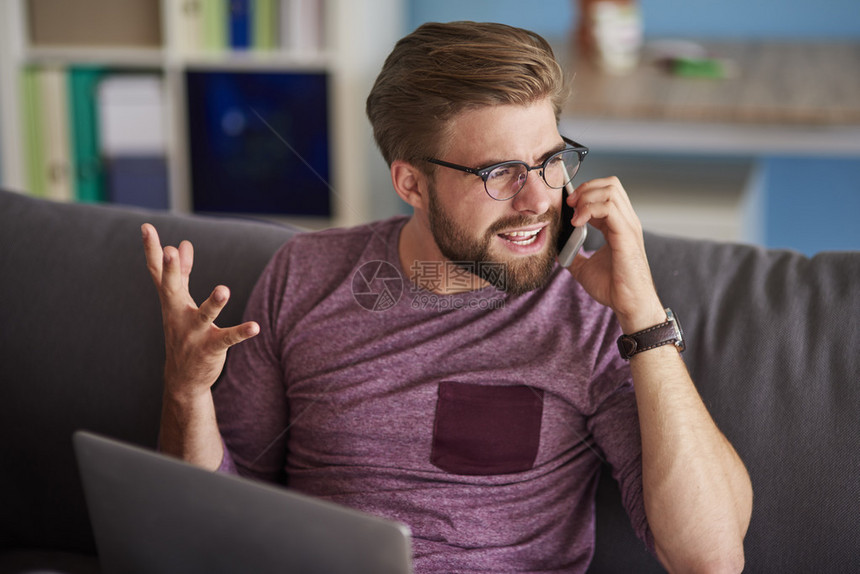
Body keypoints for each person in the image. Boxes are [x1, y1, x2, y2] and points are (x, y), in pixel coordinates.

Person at [142, 21, 752, 573]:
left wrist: (642, 315)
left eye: (549, 161)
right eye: (499, 173)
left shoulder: (594, 312)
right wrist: (187, 391)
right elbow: (221, 510)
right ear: (411, 182)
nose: (538, 199)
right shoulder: (305, 274)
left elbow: (710, 555)